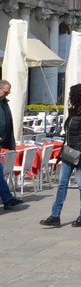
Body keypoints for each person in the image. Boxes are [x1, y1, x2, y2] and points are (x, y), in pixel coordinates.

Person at [40, 84, 81, 228]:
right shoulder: (77, 110)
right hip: (69, 152)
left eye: (71, 94)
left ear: (77, 96)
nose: (69, 97)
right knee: (62, 184)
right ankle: (55, 215)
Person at [0, 79, 25, 209]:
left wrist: (9, 140)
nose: (8, 94)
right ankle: (7, 198)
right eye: (6, 91)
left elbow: (7, 122)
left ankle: (7, 198)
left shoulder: (4, 103)